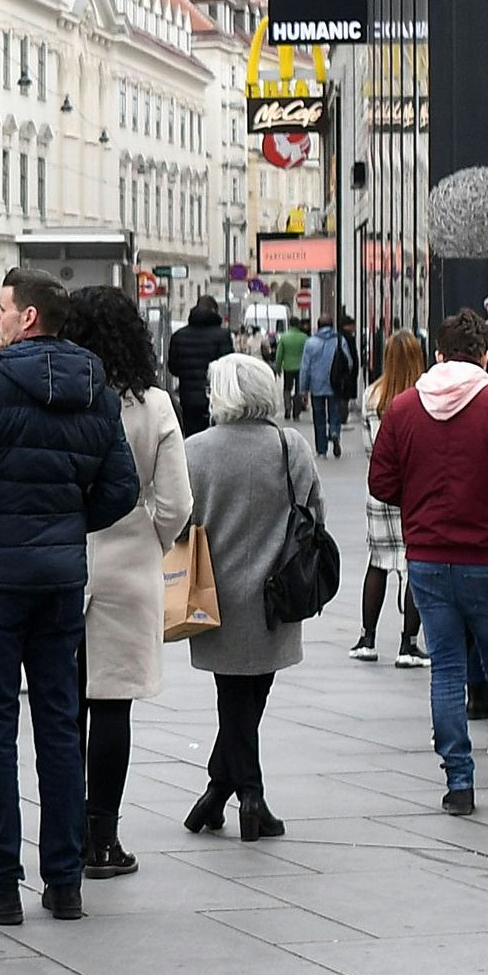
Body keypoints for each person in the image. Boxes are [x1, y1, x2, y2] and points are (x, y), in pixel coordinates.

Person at [0, 267, 139, 925]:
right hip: (59, 580)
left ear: (28, 317)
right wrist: (70, 525)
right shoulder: (96, 385)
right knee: (57, 723)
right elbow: (122, 485)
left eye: (2, 308)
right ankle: (64, 878)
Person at [371, 310, 488, 814]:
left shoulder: (404, 408)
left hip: (429, 558)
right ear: (484, 357)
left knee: (447, 671)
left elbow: (381, 484)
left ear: (438, 355)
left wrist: (417, 505)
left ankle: (459, 783)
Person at [65, 288, 190, 877]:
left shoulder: (62, 396)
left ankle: (62, 834)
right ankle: (102, 839)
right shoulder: (153, 406)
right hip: (128, 561)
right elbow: (176, 503)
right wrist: (148, 541)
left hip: (63, 559)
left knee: (64, 707)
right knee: (113, 704)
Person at [179, 351, 317, 842]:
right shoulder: (291, 447)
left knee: (233, 696)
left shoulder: (194, 450)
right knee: (250, 696)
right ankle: (249, 797)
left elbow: (178, 519)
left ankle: (222, 791)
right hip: (276, 597)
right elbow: (313, 511)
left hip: (213, 596)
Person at [353, 328, 428, 667]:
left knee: (378, 561)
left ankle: (367, 638)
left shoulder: (372, 395)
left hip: (381, 491)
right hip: (417, 489)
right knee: (414, 564)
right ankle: (408, 644)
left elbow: (370, 448)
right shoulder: (424, 396)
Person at [166, 298, 234, 434]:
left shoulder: (179, 336)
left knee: (192, 440)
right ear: (214, 311)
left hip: (188, 400)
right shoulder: (223, 335)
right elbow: (228, 367)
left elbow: (173, 368)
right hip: (215, 399)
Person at [303, 314, 359, 458]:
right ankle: (334, 431)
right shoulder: (340, 340)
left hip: (316, 385)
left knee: (319, 416)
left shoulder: (310, 343)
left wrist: (303, 389)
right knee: (335, 412)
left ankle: (321, 450)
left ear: (318, 325)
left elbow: (305, 368)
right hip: (335, 384)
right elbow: (349, 362)